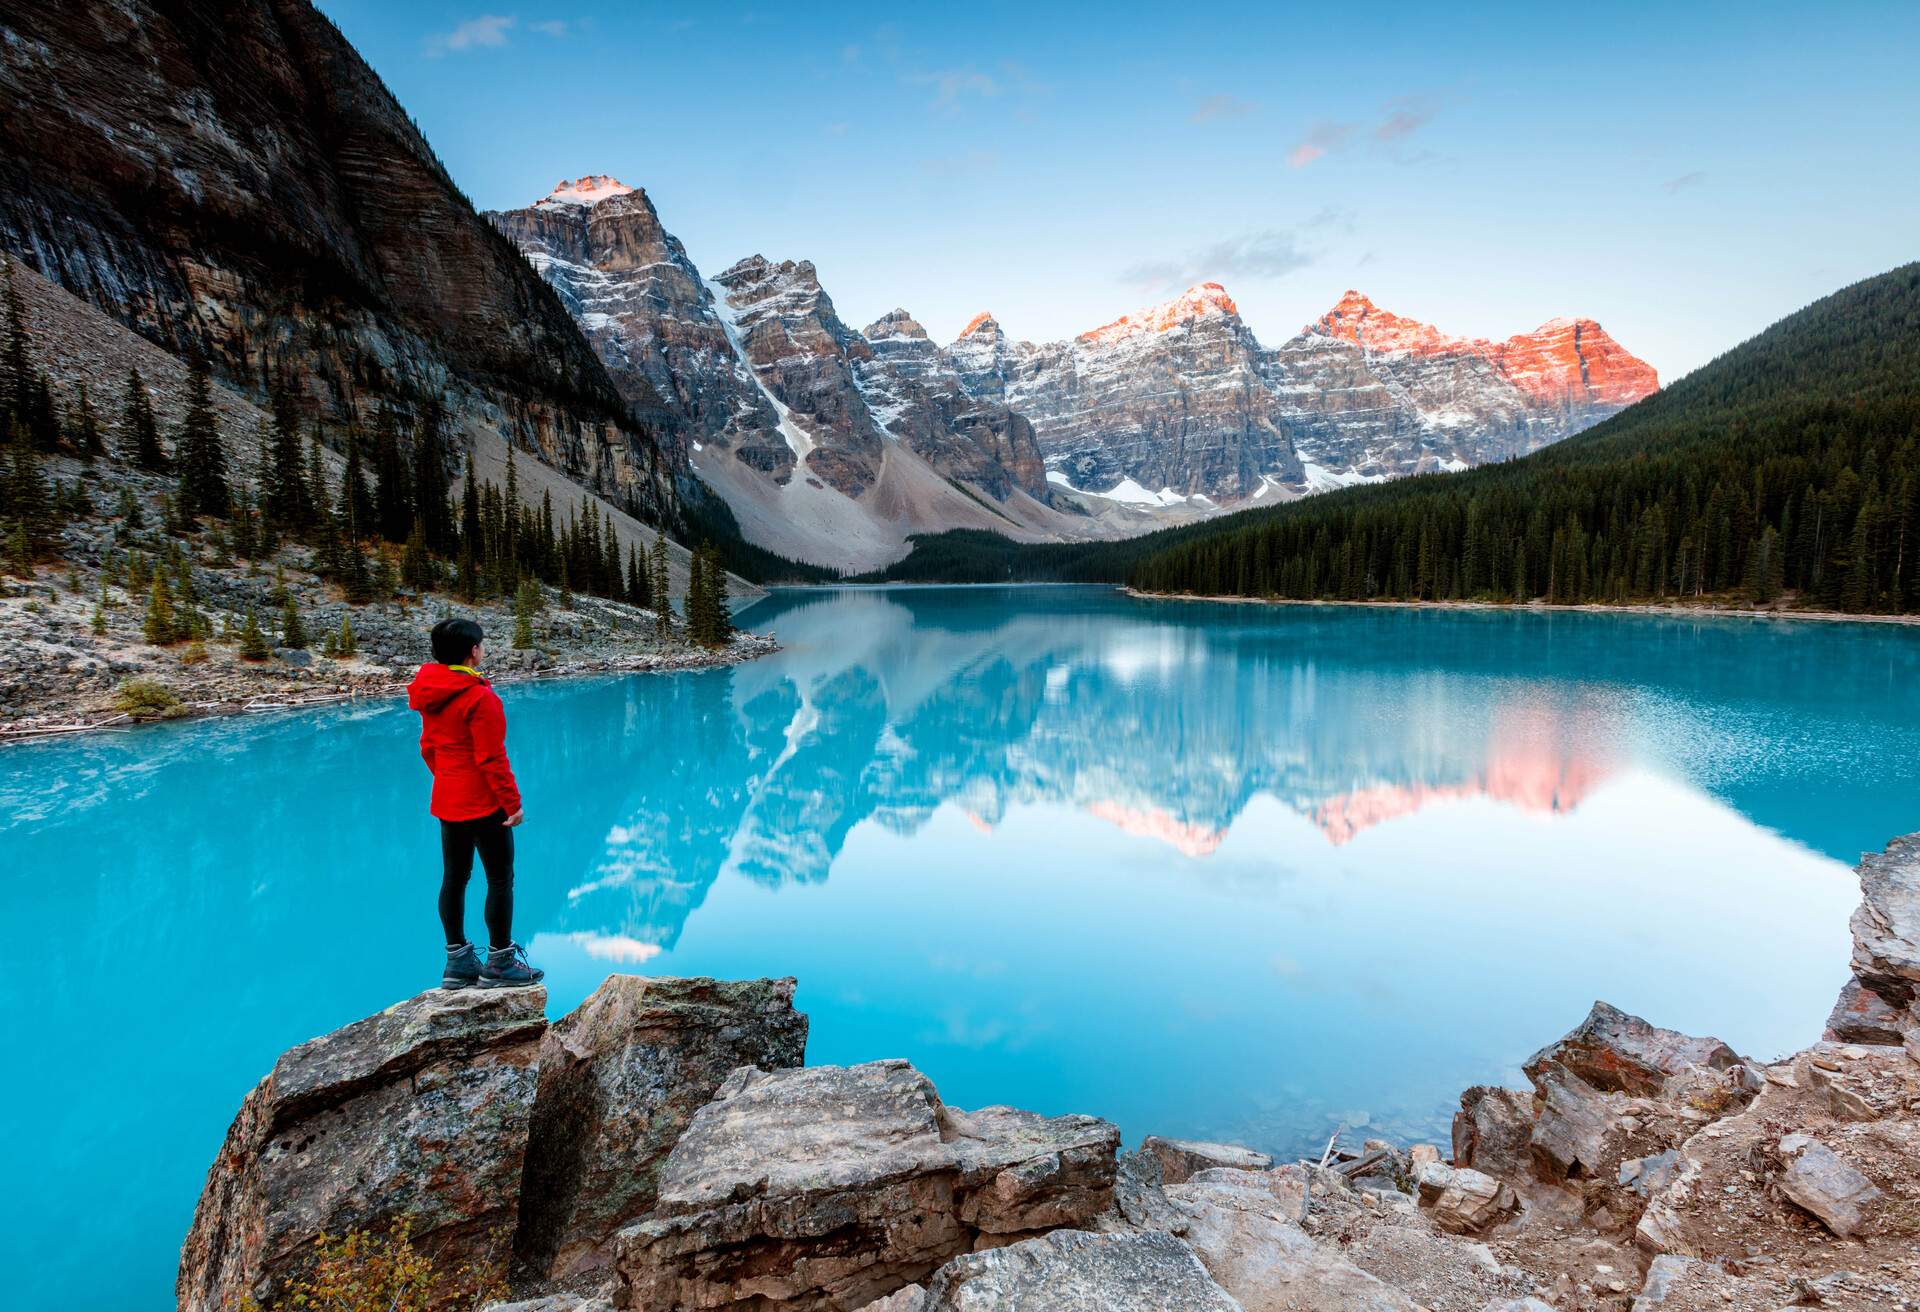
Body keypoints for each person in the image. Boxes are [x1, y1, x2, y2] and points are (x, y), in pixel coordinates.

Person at [407, 617, 544, 989]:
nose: (483, 648)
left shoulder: (430, 692)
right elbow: (491, 758)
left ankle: (458, 963)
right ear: (473, 651)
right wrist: (512, 804)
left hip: (448, 801)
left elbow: (428, 748)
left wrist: (449, 780)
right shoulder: (480, 697)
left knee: (454, 878)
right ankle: (499, 962)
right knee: (500, 879)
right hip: (484, 804)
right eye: (482, 644)